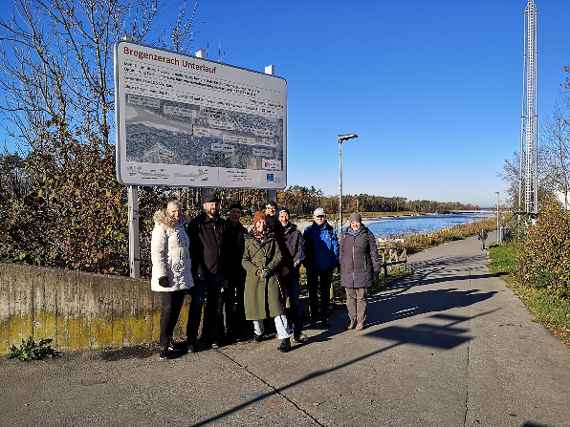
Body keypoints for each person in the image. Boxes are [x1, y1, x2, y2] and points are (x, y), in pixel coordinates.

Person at [242, 211, 293, 352]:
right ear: (255, 223)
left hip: (271, 278)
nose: (261, 224)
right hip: (255, 279)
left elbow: (279, 256)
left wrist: (269, 268)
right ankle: (258, 332)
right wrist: (256, 270)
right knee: (255, 309)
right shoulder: (248, 240)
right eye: (259, 221)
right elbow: (244, 260)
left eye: (263, 221)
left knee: (278, 309)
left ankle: (285, 338)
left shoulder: (273, 238)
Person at [150, 200, 194, 359]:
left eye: (179, 211)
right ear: (167, 211)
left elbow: (184, 252)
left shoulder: (181, 226)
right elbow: (157, 252)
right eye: (173, 211)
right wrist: (162, 275)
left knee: (175, 310)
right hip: (167, 277)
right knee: (167, 311)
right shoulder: (161, 227)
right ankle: (163, 346)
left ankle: (169, 341)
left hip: (181, 276)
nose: (177, 214)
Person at [187, 195, 228, 349]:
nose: (214, 207)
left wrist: (224, 274)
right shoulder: (196, 224)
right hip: (201, 274)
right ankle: (191, 340)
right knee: (196, 307)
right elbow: (191, 250)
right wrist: (196, 270)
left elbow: (225, 251)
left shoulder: (222, 223)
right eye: (211, 204)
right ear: (204, 205)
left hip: (218, 274)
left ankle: (211, 337)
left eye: (216, 204)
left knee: (215, 307)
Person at [340, 213, 380, 331]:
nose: (355, 224)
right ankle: (352, 319)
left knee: (361, 298)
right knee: (350, 299)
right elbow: (341, 253)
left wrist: (376, 268)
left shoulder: (367, 234)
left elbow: (373, 253)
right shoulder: (345, 235)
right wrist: (341, 266)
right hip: (347, 271)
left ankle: (360, 321)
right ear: (350, 222)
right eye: (352, 222)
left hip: (363, 271)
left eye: (357, 222)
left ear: (360, 222)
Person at [303, 207, 339, 326]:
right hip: (312, 266)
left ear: (325, 217)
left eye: (322, 216)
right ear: (313, 217)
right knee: (312, 291)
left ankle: (324, 315)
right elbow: (303, 248)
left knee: (325, 292)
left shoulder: (330, 230)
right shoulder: (308, 231)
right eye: (318, 216)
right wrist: (306, 263)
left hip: (326, 266)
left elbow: (335, 248)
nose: (320, 218)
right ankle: (314, 315)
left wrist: (333, 262)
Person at [278, 208, 308, 343]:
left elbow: (301, 252)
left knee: (295, 303)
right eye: (281, 216)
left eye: (286, 215)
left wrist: (293, 266)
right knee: (280, 304)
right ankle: (284, 333)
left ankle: (297, 331)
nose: (284, 218)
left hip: (293, 273)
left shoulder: (296, 233)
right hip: (278, 274)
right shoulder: (274, 232)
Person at [224, 202, 249, 341]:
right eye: (233, 211)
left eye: (238, 212)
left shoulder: (243, 230)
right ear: (229, 213)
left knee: (241, 301)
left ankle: (240, 329)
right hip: (226, 272)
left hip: (241, 272)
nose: (235, 214)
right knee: (227, 302)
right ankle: (228, 331)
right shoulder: (222, 227)